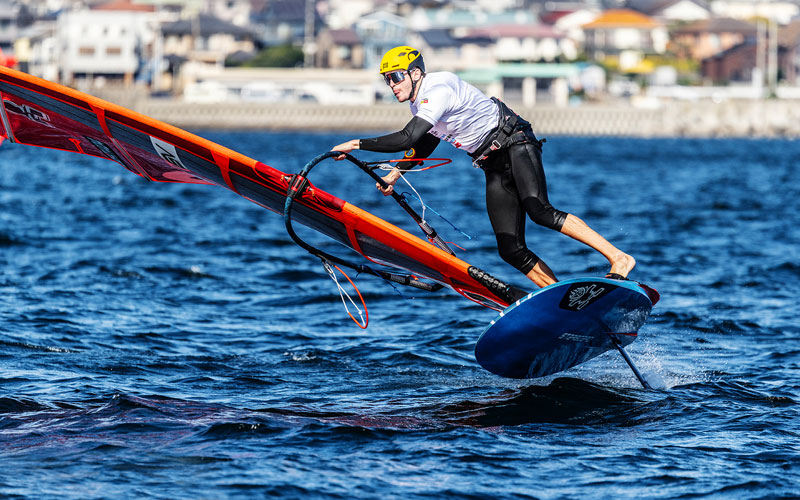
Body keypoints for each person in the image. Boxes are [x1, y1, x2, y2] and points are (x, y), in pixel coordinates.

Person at [332, 46, 635, 288]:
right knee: (510, 248)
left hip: (515, 142)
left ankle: (619, 258)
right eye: (386, 79)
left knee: (539, 210)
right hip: (492, 163)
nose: (391, 85)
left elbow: (407, 137)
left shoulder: (438, 88)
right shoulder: (418, 102)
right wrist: (395, 174)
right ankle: (559, 300)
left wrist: (355, 144)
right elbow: (425, 141)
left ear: (415, 73)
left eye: (396, 77)